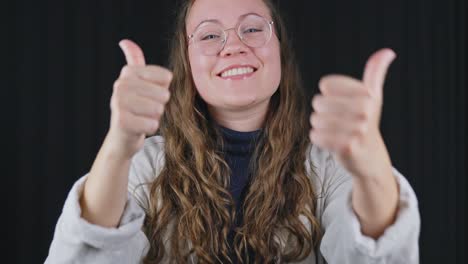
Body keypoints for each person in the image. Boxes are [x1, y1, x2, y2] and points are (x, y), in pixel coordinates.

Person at [45, 0, 420, 263]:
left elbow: (377, 258)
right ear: (187, 63)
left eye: (253, 28)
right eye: (209, 36)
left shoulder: (325, 166)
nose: (235, 46)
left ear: (279, 51)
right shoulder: (146, 166)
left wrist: (372, 168)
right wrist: (119, 148)